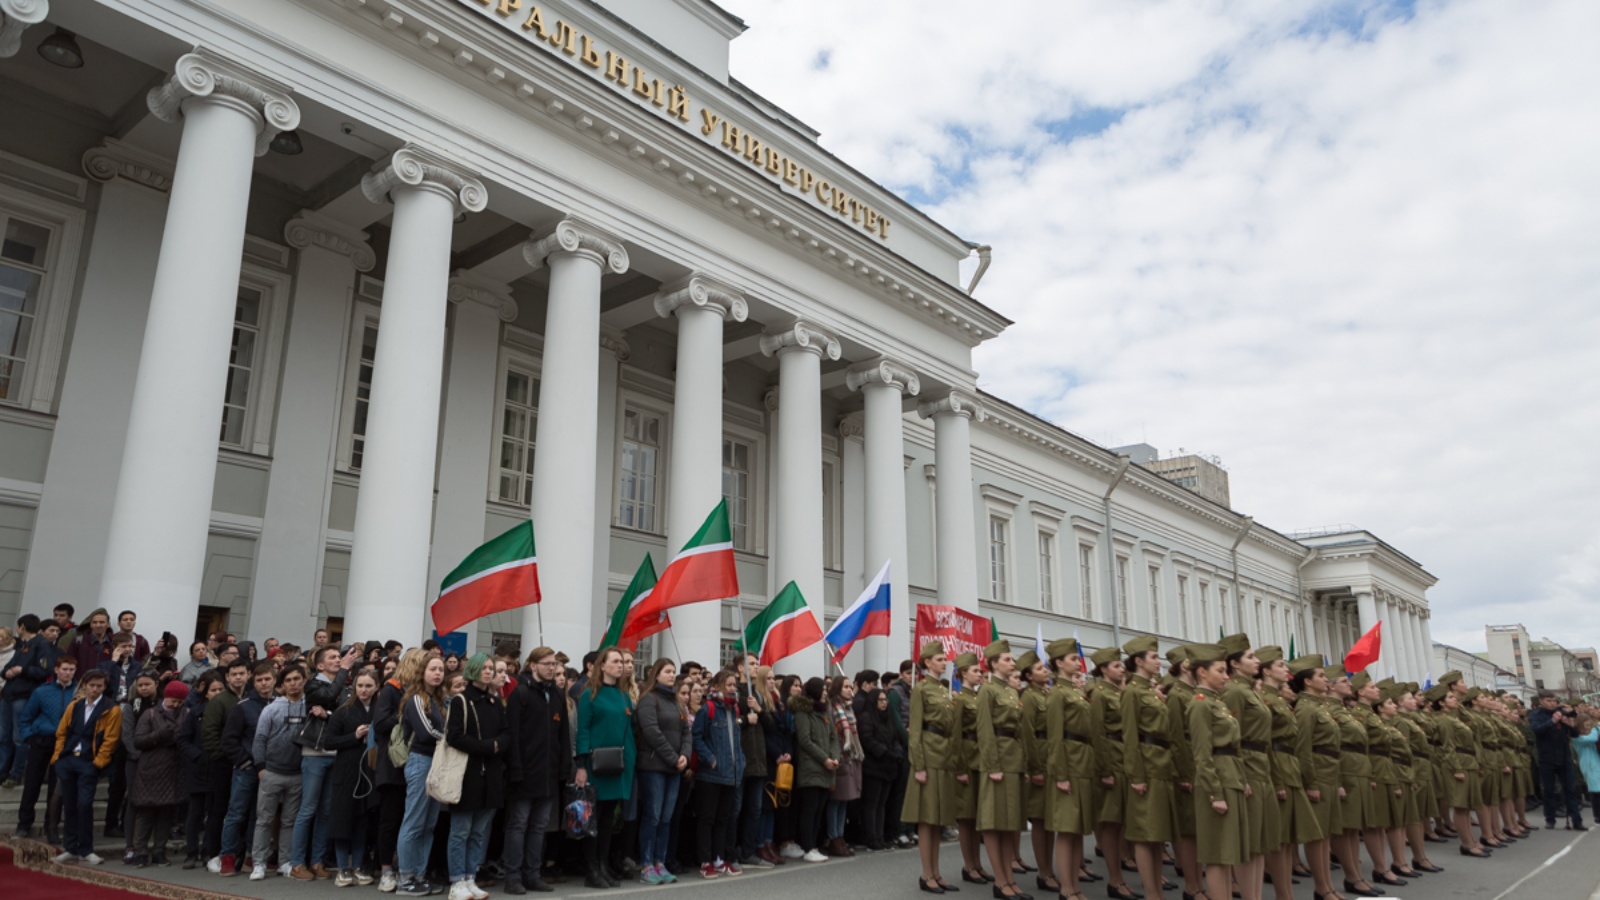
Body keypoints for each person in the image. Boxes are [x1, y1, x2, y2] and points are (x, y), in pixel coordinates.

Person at [503, 646, 571, 895]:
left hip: (549, 774)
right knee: (518, 824)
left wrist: (564, 767)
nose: (552, 668)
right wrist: (516, 769)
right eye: (546, 664)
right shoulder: (520, 694)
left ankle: (533, 873)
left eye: (553, 664)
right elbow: (513, 735)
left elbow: (563, 734)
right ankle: (513, 875)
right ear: (533, 666)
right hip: (525, 772)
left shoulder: (556, 694)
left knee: (539, 826)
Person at [290, 644, 358, 880]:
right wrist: (345, 672)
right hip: (315, 753)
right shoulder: (313, 684)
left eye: (339, 657)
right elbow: (329, 696)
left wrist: (328, 714)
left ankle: (317, 861)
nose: (338, 660)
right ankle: (298, 862)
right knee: (308, 808)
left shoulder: (345, 687)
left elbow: (344, 714)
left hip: (335, 753)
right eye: (332, 657)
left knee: (326, 811)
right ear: (319, 665)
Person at [446, 652, 510, 900]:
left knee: (479, 831)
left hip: (491, 773)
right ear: (473, 670)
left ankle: (470, 877)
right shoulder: (461, 700)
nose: (488, 671)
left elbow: (506, 733)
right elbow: (454, 736)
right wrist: (487, 747)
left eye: (491, 668)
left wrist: (497, 745)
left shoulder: (494, 702)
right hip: (468, 772)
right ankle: (456, 880)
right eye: (483, 667)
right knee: (460, 831)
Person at [575, 646, 636, 888]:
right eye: (615, 661)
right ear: (602, 666)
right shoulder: (589, 695)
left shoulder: (624, 696)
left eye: (622, 661)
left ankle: (603, 864)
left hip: (620, 764)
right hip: (596, 764)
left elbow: (630, 730)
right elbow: (583, 731)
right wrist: (581, 764)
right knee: (594, 819)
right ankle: (591, 868)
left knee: (609, 819)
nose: (620, 665)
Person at [51, 667, 123, 865]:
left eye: (99, 686)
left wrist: (98, 762)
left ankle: (86, 848)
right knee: (70, 803)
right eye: (91, 685)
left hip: (89, 762)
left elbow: (110, 739)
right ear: (84, 686)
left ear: (104, 687)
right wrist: (58, 757)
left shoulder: (111, 709)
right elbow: (61, 732)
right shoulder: (75, 706)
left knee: (84, 804)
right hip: (68, 760)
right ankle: (70, 847)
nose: (95, 689)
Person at [902, 641, 959, 892]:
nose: (944, 662)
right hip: (928, 754)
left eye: (944, 659)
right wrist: (919, 764)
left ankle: (937, 872)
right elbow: (915, 730)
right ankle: (927, 875)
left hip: (943, 755)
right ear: (926, 662)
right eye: (938, 659)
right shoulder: (921, 689)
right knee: (927, 819)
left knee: (938, 819)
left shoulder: (943, 690)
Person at [1042, 638, 1094, 900]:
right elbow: (1055, 737)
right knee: (1067, 829)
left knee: (1077, 830)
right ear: (1059, 663)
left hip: (1082, 762)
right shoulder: (1057, 694)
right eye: (1073, 659)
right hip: (1069, 765)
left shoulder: (1075, 691)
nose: (1078, 662)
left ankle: (1075, 885)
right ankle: (1066, 888)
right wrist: (1060, 774)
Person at [212, 662, 275, 875]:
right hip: (246, 769)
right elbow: (229, 741)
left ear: (274, 680)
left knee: (260, 816)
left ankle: (252, 856)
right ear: (253, 681)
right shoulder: (242, 707)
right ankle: (227, 857)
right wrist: (245, 762)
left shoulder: (279, 704)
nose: (264, 683)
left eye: (267, 679)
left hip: (270, 770)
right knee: (236, 813)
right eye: (259, 680)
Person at [373, 648, 428, 892]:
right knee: (390, 818)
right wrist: (408, 715)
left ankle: (413, 869)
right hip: (395, 763)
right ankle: (386, 869)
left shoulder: (425, 692)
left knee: (415, 821)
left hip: (419, 761)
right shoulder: (391, 689)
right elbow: (380, 723)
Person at [975, 639, 1025, 900]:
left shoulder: (1011, 691)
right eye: (1007, 659)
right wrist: (992, 765)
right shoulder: (988, 690)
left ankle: (1010, 878)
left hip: (1013, 759)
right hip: (997, 763)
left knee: (1009, 824)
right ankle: (1000, 881)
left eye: (1012, 659)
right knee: (995, 824)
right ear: (994, 664)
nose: (1012, 662)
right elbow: (984, 731)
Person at [249, 664, 308, 881]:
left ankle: (285, 862)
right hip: (272, 772)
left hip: (298, 773)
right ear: (282, 685)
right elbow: (260, 739)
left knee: (289, 821)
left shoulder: (309, 706)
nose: (293, 684)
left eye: (297, 679)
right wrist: (261, 768)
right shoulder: (271, 709)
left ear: (303, 680)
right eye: (288, 681)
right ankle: (259, 863)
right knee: (264, 820)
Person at [396, 653, 448, 896]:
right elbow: (426, 733)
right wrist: (450, 740)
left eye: (440, 669)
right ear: (422, 672)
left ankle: (419, 874)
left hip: (436, 763)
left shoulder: (437, 701)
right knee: (414, 822)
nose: (438, 673)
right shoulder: (416, 699)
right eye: (432, 669)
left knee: (428, 824)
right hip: (420, 761)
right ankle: (405, 877)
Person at [635, 657, 689, 885]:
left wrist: (684, 754)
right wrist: (673, 757)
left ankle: (660, 861)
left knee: (666, 818)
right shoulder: (649, 699)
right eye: (667, 671)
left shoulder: (678, 702)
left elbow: (687, 731)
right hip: (654, 766)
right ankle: (646, 864)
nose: (671, 675)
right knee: (653, 816)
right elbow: (651, 731)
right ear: (656, 674)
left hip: (674, 768)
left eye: (673, 671)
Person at [1087, 645, 1134, 900]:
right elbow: (1097, 733)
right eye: (1116, 666)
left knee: (1123, 823)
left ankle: (1121, 877)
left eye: (1121, 665)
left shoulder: (1121, 692)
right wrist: (1104, 769)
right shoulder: (1099, 694)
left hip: (1125, 758)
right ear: (1104, 669)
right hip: (1111, 762)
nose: (1121, 669)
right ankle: (1115, 879)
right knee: (1111, 824)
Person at [692, 668, 747, 877]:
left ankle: (719, 857)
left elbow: (737, 741)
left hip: (731, 774)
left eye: (735, 685)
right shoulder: (708, 709)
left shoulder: (734, 710)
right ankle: (705, 860)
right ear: (718, 686)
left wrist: (740, 762)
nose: (733, 688)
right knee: (708, 818)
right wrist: (711, 759)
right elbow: (697, 737)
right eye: (729, 685)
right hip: (711, 775)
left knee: (724, 818)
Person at [15, 653, 76, 841]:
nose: (67, 673)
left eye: (71, 670)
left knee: (57, 789)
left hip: (65, 744)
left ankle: (51, 827)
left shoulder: (78, 693)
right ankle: (24, 824)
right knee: (32, 784)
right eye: (64, 669)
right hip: (41, 740)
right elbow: (26, 717)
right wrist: (29, 737)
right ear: (56, 670)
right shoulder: (42, 691)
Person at [325, 670, 378, 887]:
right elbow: (329, 741)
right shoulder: (343, 712)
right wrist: (354, 736)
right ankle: (342, 867)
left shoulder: (379, 711)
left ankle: (357, 865)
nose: (364, 690)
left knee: (362, 820)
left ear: (376, 687)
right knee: (343, 820)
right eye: (360, 686)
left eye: (368, 686)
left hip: (370, 772)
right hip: (346, 772)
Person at [129, 679, 187, 866]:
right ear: (165, 697)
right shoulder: (151, 713)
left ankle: (159, 850)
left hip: (173, 768)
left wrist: (175, 737)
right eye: (172, 701)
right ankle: (139, 851)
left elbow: (186, 736)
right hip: (151, 767)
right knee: (145, 811)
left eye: (179, 702)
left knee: (166, 812)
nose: (175, 705)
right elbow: (139, 740)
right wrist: (159, 736)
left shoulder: (186, 714)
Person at [1016, 650, 1055, 894]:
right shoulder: (1029, 697)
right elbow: (1028, 734)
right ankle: (1044, 871)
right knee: (1040, 819)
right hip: (1040, 757)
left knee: (1050, 819)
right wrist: (1035, 767)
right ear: (1029, 676)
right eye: (1040, 669)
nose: (1046, 671)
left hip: (1052, 757)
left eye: (1044, 667)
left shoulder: (1046, 694)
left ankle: (1049, 869)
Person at [178, 669, 224, 868]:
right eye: (214, 690)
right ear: (206, 692)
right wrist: (196, 756)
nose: (217, 693)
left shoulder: (229, 711)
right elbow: (183, 739)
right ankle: (191, 852)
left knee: (214, 814)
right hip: (198, 769)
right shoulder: (195, 712)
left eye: (221, 689)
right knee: (194, 814)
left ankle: (209, 851)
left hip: (218, 769)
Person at [791, 676, 840, 863]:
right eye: (823, 690)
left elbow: (833, 738)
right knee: (810, 810)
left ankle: (814, 845)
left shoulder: (825, 712)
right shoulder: (803, 712)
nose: (826, 693)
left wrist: (834, 757)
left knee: (819, 809)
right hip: (811, 767)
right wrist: (824, 758)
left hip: (827, 767)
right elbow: (805, 740)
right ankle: (808, 846)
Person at [3, 613, 53, 788]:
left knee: (19, 738)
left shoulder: (41, 645)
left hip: (24, 696)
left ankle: (16, 773)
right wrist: (7, 672)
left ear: (22, 626)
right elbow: (9, 666)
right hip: (9, 694)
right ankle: (3, 770)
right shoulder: (22, 645)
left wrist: (22, 670)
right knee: (4, 736)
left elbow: (45, 670)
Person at [1529, 690, 1586, 830]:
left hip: (1564, 755)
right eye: (1549, 700)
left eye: (1554, 700)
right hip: (1546, 757)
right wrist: (1552, 721)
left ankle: (1576, 820)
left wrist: (1569, 724)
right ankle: (1550, 818)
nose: (1552, 703)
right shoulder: (1536, 715)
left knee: (1570, 789)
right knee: (1549, 790)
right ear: (1541, 701)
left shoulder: (1561, 712)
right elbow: (1537, 730)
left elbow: (1575, 734)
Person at [859, 686, 902, 855]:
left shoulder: (887, 718)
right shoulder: (866, 717)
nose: (884, 703)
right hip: (873, 767)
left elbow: (895, 738)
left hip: (888, 767)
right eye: (881, 700)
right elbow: (867, 740)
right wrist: (885, 753)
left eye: (886, 700)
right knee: (872, 804)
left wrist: (896, 753)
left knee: (882, 804)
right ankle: (872, 838)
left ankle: (880, 837)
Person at [823, 675, 862, 858]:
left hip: (849, 757)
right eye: (845, 686)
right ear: (838, 689)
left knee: (845, 800)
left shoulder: (848, 708)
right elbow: (833, 734)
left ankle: (840, 835)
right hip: (839, 757)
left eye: (849, 686)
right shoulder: (833, 707)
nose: (849, 689)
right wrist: (837, 755)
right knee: (836, 800)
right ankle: (833, 838)